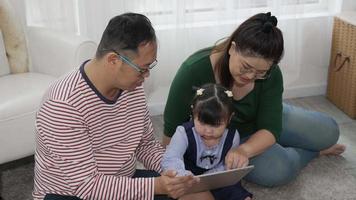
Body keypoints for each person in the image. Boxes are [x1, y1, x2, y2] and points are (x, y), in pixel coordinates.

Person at [162, 12, 346, 187]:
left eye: (261, 73)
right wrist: (173, 171)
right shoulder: (193, 70)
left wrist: (245, 151)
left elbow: (270, 127)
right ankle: (313, 153)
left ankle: (288, 138)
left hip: (263, 120)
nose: (250, 76)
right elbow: (171, 133)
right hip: (226, 138)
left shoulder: (272, 74)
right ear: (232, 49)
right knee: (279, 170)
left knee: (329, 132)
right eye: (246, 67)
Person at [33, 13, 198, 200]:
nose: (146, 76)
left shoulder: (132, 87)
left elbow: (146, 145)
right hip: (70, 194)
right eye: (142, 69)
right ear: (113, 60)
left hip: (119, 182)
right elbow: (87, 187)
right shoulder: (62, 105)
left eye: (149, 68)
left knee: (190, 192)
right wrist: (157, 186)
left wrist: (172, 170)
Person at [161, 84, 252, 200]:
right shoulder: (183, 133)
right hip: (189, 180)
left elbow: (228, 165)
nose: (208, 131)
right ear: (194, 113)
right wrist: (182, 175)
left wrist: (232, 166)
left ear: (229, 118)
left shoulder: (233, 136)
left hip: (219, 180)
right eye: (202, 123)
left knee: (239, 194)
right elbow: (170, 158)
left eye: (216, 125)